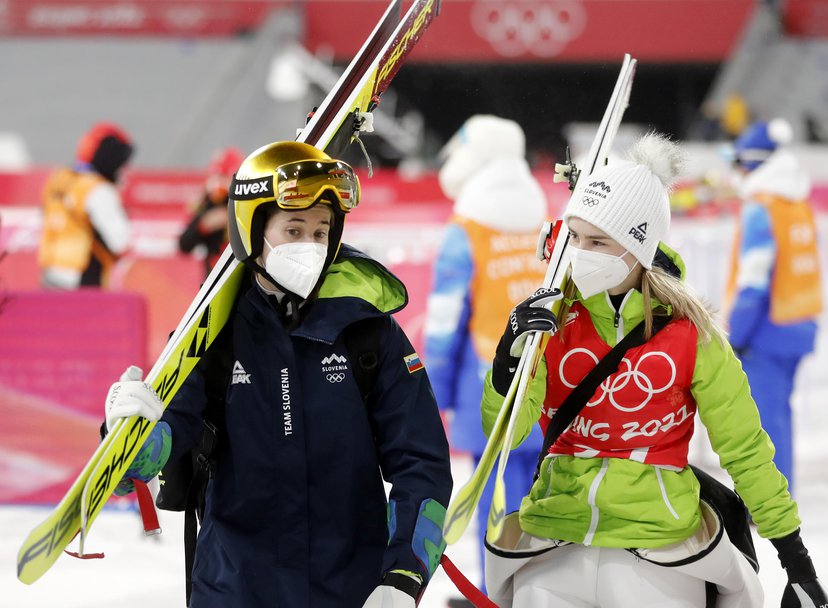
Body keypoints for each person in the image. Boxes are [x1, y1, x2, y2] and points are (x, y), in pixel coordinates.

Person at [481, 133, 828, 607]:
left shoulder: (693, 335)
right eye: (575, 238)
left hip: (659, 545)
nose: (580, 253)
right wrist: (509, 357)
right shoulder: (554, 320)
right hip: (555, 538)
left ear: (638, 246)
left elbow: (745, 450)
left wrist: (797, 562)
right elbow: (504, 436)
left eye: (598, 241)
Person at [103, 141, 454, 608]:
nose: (310, 246)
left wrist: (405, 576)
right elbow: (149, 456)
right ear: (253, 230)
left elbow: (422, 463)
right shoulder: (213, 336)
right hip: (235, 588)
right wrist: (128, 436)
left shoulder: (369, 332)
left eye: (320, 230)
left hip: (350, 590)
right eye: (293, 229)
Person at [424, 115, 547, 593]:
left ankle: (497, 594)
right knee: (543, 500)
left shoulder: (467, 231)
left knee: (494, 506)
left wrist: (432, 389)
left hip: (487, 390)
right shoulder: (543, 225)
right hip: (545, 386)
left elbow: (443, 323)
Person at [725, 119, 822, 493]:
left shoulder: (761, 208)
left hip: (764, 331)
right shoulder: (796, 204)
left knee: (762, 421)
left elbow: (753, 281)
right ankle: (781, 493)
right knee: (779, 415)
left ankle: (768, 501)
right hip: (797, 325)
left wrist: (735, 332)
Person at [38, 122, 134, 289]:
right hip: (83, 280)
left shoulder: (58, 178)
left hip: (49, 276)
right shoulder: (98, 189)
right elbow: (121, 243)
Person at [178, 146, 244, 278]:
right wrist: (203, 225)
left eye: (224, 176)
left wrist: (232, 219)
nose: (219, 182)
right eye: (217, 176)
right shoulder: (209, 203)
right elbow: (184, 245)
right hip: (213, 277)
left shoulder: (245, 201)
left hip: (242, 275)